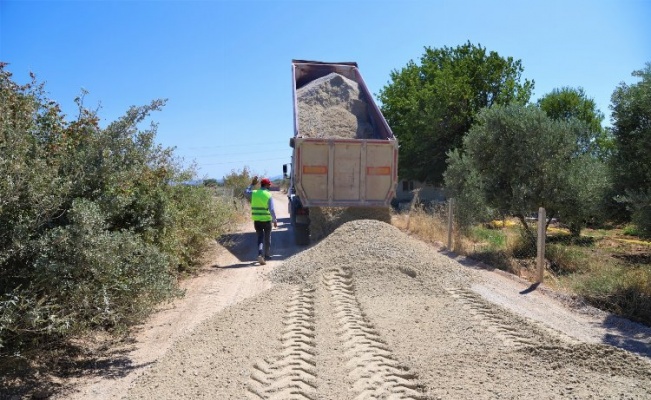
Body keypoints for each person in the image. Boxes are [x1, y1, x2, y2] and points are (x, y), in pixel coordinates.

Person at [244, 176, 278, 265]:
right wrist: (274, 220)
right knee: (267, 238)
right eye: (269, 185)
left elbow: (245, 192)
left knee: (260, 238)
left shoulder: (254, 193)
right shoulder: (268, 195)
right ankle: (266, 255)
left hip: (257, 221)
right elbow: (271, 209)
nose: (269, 186)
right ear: (266, 185)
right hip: (267, 220)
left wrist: (251, 184)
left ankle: (260, 254)